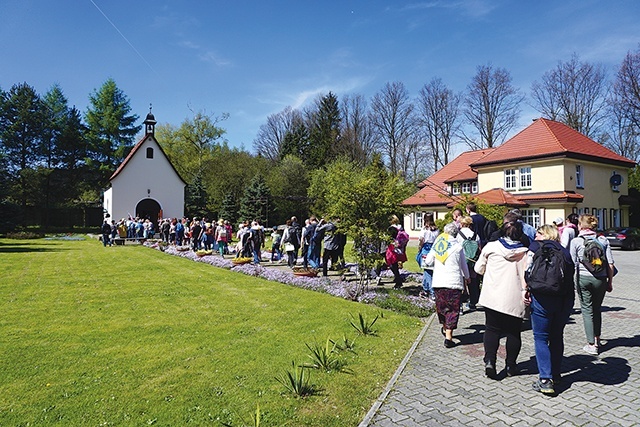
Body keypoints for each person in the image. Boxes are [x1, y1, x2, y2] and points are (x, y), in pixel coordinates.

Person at [474, 220, 529, 379]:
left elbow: (478, 269)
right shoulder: (524, 252)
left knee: (491, 329)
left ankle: (490, 360)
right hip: (514, 296)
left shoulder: (491, 247)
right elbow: (527, 275)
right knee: (513, 332)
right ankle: (511, 365)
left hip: (493, 295)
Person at [526, 224, 575, 395]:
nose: (535, 236)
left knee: (540, 338)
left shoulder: (535, 249)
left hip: (541, 298)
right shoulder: (565, 252)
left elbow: (527, 271)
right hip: (563, 300)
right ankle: (556, 373)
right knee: (556, 336)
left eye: (538, 233)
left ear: (545, 234)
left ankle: (545, 379)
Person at [569, 214, 615, 355]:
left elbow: (571, 262)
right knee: (597, 309)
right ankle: (598, 339)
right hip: (600, 279)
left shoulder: (576, 241)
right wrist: (610, 282)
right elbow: (610, 264)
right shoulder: (602, 240)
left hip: (583, 278)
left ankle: (591, 344)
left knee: (587, 311)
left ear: (581, 226)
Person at [424, 222, 470, 348]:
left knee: (442, 308)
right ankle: (448, 333)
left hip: (439, 282)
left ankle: (447, 333)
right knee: (453, 309)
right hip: (454, 283)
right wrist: (467, 277)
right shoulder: (458, 247)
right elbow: (463, 265)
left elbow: (428, 261)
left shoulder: (438, 245)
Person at [457, 216, 482, 310]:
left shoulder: (458, 234)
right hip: (473, 262)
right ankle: (472, 303)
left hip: (462, 260)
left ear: (462, 224)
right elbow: (479, 249)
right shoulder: (475, 235)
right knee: (473, 282)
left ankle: (460, 307)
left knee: (461, 283)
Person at [417, 213, 439, 299]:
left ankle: (431, 291)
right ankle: (425, 288)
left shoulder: (424, 229)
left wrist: (419, 248)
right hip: (434, 249)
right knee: (431, 270)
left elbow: (421, 240)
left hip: (426, 249)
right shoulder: (436, 230)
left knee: (427, 271)